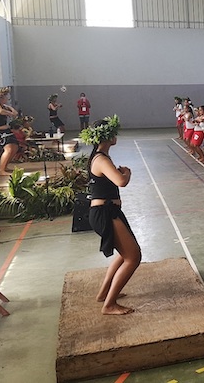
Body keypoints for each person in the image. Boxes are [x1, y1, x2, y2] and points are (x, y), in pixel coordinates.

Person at [80, 115, 141, 315]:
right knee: (133, 257)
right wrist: (127, 173)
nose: (116, 136)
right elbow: (121, 181)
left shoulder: (100, 156)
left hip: (108, 211)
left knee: (125, 254)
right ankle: (109, 305)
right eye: (113, 133)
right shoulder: (101, 159)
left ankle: (104, 293)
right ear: (106, 136)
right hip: (105, 213)